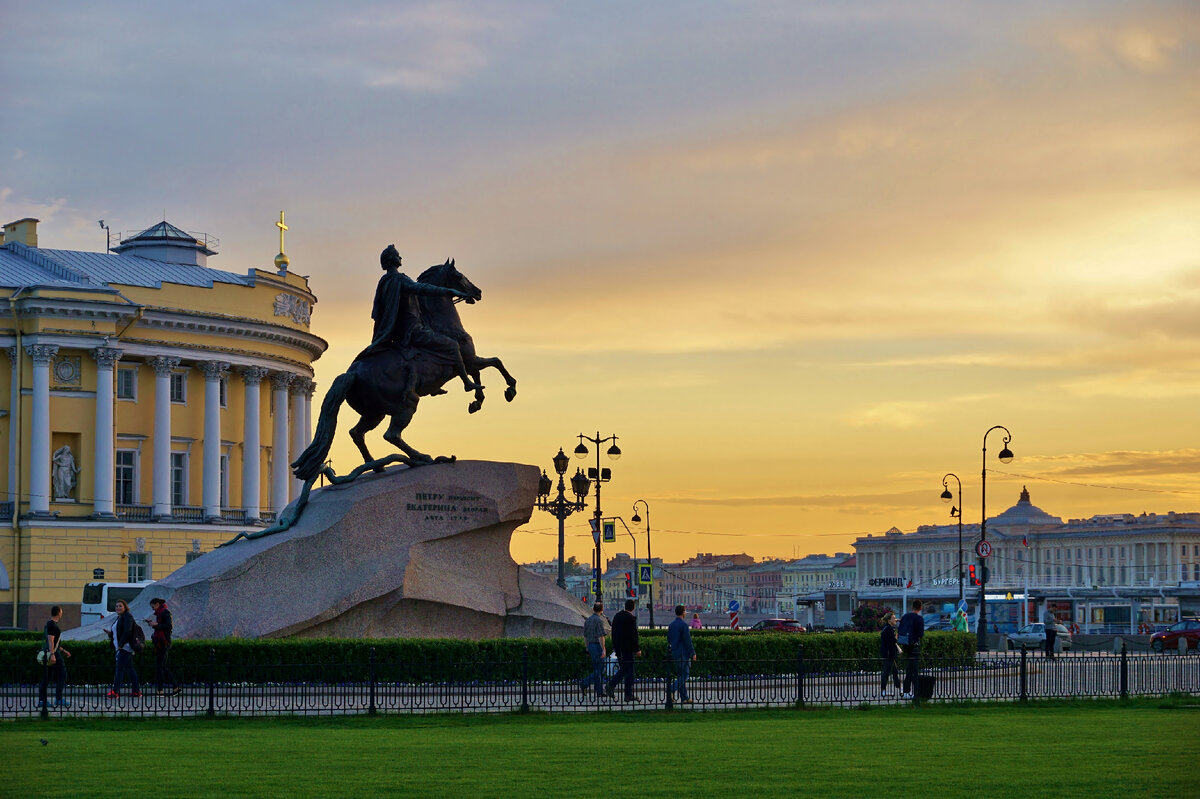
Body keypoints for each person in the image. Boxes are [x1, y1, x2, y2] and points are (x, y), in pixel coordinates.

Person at [354, 244, 481, 392]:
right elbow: (423, 288)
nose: (400, 257)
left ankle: (433, 383)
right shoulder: (399, 279)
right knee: (452, 346)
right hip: (413, 330)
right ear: (393, 259)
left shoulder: (383, 282)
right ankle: (467, 382)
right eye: (398, 255)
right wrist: (448, 291)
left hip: (396, 332)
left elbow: (378, 311)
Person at [604, 599, 642, 701]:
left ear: (625, 606)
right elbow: (633, 636)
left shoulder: (617, 616)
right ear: (633, 607)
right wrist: (637, 649)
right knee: (629, 670)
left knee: (625, 669)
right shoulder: (631, 619)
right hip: (628, 649)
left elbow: (614, 633)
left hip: (619, 648)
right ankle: (619, 690)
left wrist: (615, 647)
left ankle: (622, 691)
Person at [106, 599, 142, 698]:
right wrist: (110, 634)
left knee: (119, 669)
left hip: (125, 647)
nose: (118, 607)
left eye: (120, 606)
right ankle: (136, 691)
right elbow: (119, 632)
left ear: (125, 607)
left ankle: (115, 691)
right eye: (116, 606)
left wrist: (121, 645)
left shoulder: (127, 616)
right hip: (121, 647)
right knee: (130, 669)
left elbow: (127, 631)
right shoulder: (119, 618)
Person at [37, 606, 71, 708]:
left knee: (47, 677)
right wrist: (52, 654)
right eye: (61, 612)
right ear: (59, 613)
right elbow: (51, 640)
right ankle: (58, 698)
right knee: (62, 673)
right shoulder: (52, 625)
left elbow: (54, 642)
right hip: (53, 653)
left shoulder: (50, 624)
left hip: (52, 651)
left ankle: (42, 700)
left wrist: (63, 651)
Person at [148, 597, 182, 695]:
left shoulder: (165, 612)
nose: (153, 609)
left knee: (161, 667)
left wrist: (156, 625)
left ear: (157, 604)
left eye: (153, 606)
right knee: (161, 667)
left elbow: (169, 627)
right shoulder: (160, 613)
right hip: (160, 642)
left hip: (164, 642)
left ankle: (168, 688)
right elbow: (161, 626)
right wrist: (153, 624)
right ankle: (166, 689)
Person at [578, 602, 610, 699]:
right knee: (600, 669)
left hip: (591, 646)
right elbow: (601, 637)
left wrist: (587, 647)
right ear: (602, 610)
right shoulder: (599, 621)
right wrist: (603, 649)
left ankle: (599, 691)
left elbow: (585, 636)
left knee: (597, 668)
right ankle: (584, 683)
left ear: (593, 609)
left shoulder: (588, 620)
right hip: (597, 646)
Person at [667, 604, 697, 703]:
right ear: (683, 612)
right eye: (685, 611)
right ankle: (671, 690)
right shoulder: (683, 625)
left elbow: (669, 639)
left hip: (675, 653)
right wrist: (693, 653)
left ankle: (685, 697)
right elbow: (687, 640)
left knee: (680, 676)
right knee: (685, 675)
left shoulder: (671, 625)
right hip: (683, 653)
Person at [897, 598, 925, 699]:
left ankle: (909, 691)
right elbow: (921, 634)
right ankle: (909, 691)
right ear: (920, 608)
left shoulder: (905, 617)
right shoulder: (919, 619)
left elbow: (899, 629)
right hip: (914, 646)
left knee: (910, 668)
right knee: (912, 669)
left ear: (912, 607)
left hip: (905, 644)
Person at [879, 611, 901, 697]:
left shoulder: (887, 628)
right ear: (889, 620)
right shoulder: (889, 629)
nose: (895, 619)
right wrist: (896, 635)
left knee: (894, 672)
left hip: (889, 654)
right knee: (887, 672)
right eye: (893, 618)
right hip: (889, 655)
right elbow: (894, 641)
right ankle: (883, 690)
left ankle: (899, 688)